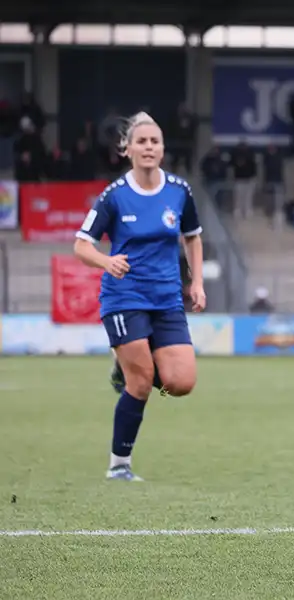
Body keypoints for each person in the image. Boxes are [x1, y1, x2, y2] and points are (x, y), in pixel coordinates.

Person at [74, 111, 205, 482]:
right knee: (143, 382)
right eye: (142, 141)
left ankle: (126, 363)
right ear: (127, 149)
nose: (149, 147)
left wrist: (196, 283)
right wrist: (106, 260)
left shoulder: (179, 190)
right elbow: (81, 245)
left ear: (163, 149)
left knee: (181, 383)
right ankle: (119, 465)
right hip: (124, 296)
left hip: (166, 300)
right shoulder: (114, 197)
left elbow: (192, 235)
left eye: (155, 141)